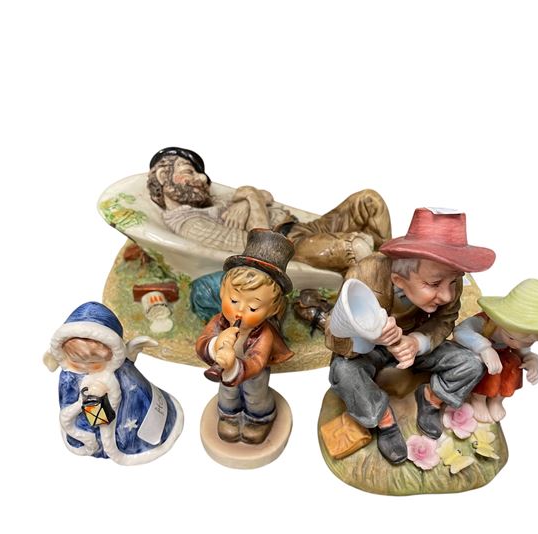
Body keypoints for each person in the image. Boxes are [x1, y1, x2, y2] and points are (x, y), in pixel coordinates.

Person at [326, 208, 496, 464]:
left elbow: (445, 320)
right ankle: (384, 420)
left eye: (453, 282)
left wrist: (418, 342)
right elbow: (334, 332)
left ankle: (431, 399)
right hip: (368, 349)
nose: (447, 294)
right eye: (434, 284)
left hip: (416, 346)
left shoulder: (449, 276)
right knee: (343, 372)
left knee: (471, 363)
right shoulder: (366, 274)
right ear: (398, 279)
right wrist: (371, 336)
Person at [147, 147, 391, 273]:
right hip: (291, 247)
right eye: (189, 171)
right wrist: (250, 196)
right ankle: (387, 289)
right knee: (355, 247)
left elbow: (266, 195)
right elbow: (262, 247)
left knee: (368, 200)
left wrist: (247, 201)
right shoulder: (191, 223)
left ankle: (394, 267)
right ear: (162, 176)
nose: (202, 178)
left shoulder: (207, 202)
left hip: (300, 226)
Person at [43, 302, 184, 465]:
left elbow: (135, 395)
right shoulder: (69, 377)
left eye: (94, 362)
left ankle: (122, 444)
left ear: (112, 355)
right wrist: (82, 403)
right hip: (85, 427)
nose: (85, 367)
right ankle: (94, 444)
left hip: (124, 426)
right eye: (76, 361)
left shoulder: (122, 375)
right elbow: (66, 402)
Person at [195, 229, 295, 445]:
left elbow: (257, 361)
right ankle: (229, 417)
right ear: (222, 292)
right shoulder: (218, 322)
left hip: (253, 373)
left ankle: (259, 419)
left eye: (253, 307)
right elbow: (201, 344)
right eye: (233, 301)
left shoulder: (264, 334)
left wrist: (234, 366)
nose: (239, 311)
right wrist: (216, 345)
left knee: (255, 395)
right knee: (227, 393)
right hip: (225, 370)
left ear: (272, 309)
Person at [453, 278, 538, 422]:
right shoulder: (485, 322)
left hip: (503, 358)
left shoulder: (520, 341)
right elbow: (460, 332)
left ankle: (497, 400)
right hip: (477, 356)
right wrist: (484, 348)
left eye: (529, 342)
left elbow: (523, 352)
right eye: (511, 338)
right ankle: (478, 400)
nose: (518, 345)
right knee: (486, 366)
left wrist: (532, 360)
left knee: (513, 363)